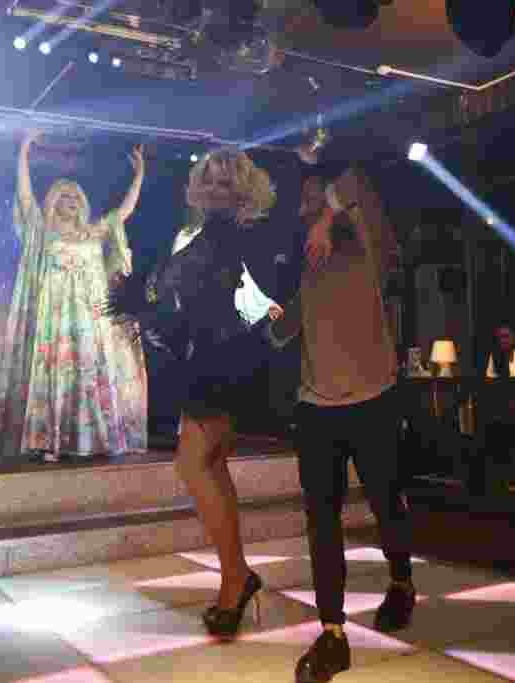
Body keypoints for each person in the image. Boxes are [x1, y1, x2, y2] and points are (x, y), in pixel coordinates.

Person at [106, 147, 277, 637]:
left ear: (242, 189)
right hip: (208, 359)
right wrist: (146, 300)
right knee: (210, 464)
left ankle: (235, 579)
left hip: (224, 360)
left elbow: (241, 299)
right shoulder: (210, 235)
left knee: (194, 463)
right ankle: (236, 575)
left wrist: (151, 301)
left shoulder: (241, 234)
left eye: (225, 182)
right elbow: (182, 296)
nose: (214, 188)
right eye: (208, 180)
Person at [267, 167, 415, 682]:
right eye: (304, 199)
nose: (308, 204)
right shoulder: (308, 264)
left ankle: (400, 582)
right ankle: (333, 634)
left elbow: (355, 182)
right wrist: (255, 310)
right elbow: (280, 334)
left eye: (315, 195)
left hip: (373, 398)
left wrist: (331, 216)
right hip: (316, 408)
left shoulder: (366, 241)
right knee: (321, 524)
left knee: (386, 504)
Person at [0, 131, 147, 462]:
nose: (71, 201)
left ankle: (89, 439)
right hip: (54, 319)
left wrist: (140, 175)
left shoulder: (93, 232)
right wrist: (24, 152)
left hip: (89, 319)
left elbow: (124, 213)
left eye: (76, 197)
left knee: (88, 373)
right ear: (54, 201)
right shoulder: (42, 232)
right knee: (55, 373)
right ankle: (50, 441)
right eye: (64, 196)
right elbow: (25, 196)